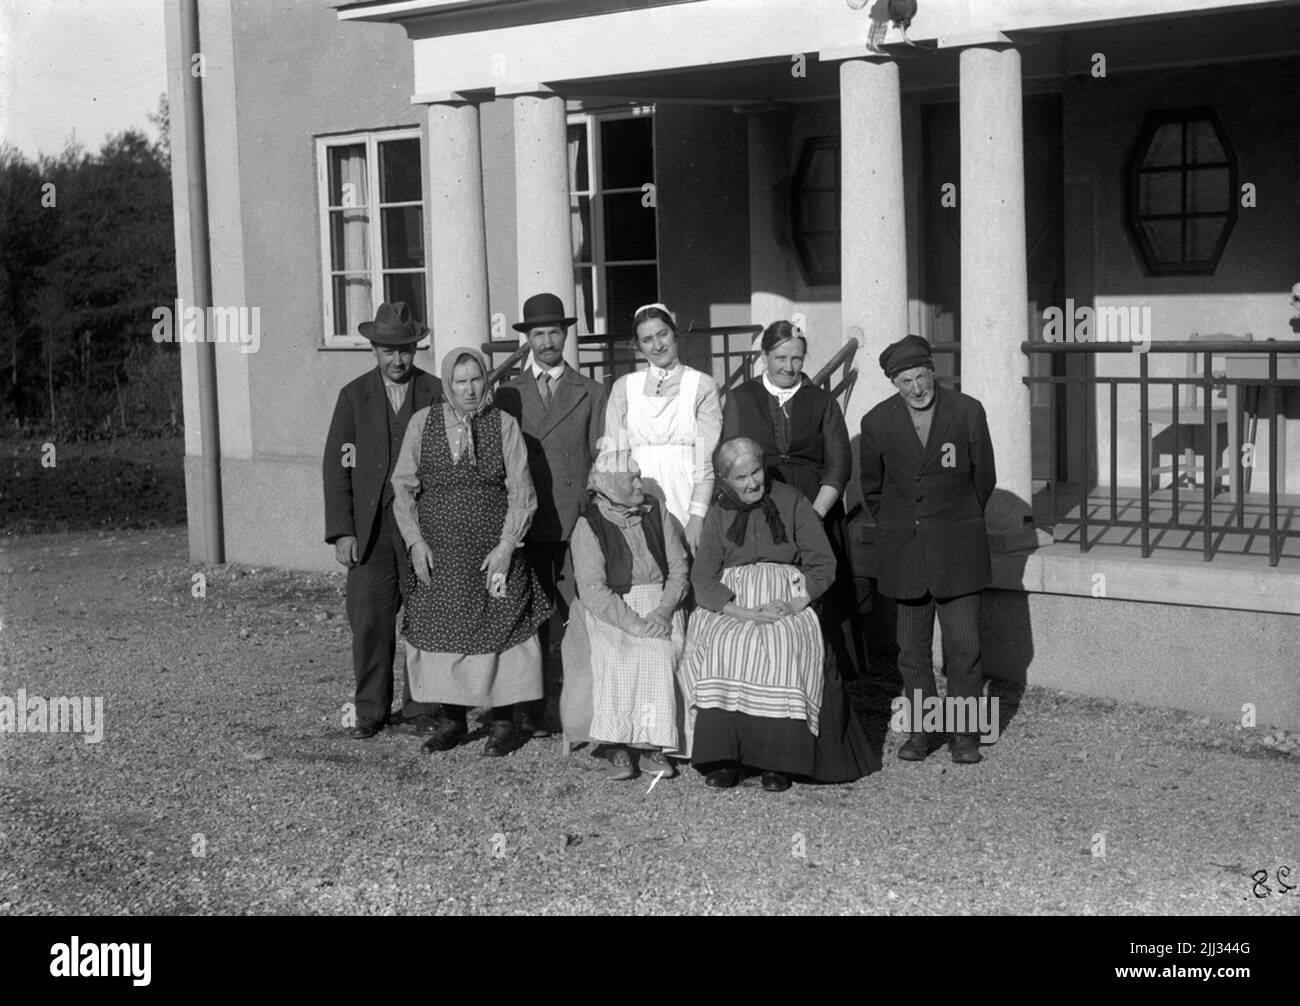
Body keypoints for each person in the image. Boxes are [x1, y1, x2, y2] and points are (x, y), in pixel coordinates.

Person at [679, 438, 878, 791]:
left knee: (783, 644)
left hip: (785, 596)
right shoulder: (719, 513)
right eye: (741, 478)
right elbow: (703, 576)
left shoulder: (792, 501)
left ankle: (778, 762)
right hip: (735, 600)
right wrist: (738, 611)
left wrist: (795, 602)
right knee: (724, 645)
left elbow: (822, 563)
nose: (752, 483)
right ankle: (726, 757)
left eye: (756, 472)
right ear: (725, 481)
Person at [390, 346, 553, 757]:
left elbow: (521, 490)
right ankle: (452, 720)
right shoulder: (421, 423)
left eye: (476, 379)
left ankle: (502, 723)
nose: (469, 389)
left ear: (487, 381)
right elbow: (403, 487)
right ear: (448, 384)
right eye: (460, 381)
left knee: (499, 627)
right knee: (445, 631)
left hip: (492, 552)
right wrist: (415, 542)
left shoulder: (504, 425)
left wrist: (506, 545)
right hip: (439, 554)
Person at [859, 334, 996, 765]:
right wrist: (902, 529)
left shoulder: (968, 411)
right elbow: (873, 490)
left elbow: (983, 480)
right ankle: (922, 731)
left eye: (921, 377)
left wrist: (955, 523)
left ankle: (964, 735)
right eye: (905, 382)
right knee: (912, 652)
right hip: (906, 553)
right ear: (893, 383)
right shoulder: (876, 422)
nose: (917, 389)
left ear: (933, 371)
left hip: (958, 550)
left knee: (965, 648)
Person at [322, 301, 442, 739]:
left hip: (422, 529)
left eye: (406, 350)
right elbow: (338, 465)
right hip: (371, 531)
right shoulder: (354, 397)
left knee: (425, 615)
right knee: (369, 619)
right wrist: (343, 531)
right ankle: (370, 708)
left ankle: (423, 706)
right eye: (388, 350)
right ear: (373, 349)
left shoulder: (436, 392)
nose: (398, 360)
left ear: (416, 349)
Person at [721, 319, 864, 677]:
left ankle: (824, 672)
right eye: (780, 357)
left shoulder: (821, 401)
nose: (789, 367)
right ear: (764, 356)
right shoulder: (741, 399)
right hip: (759, 509)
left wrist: (813, 514)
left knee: (816, 590)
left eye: (797, 358)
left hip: (816, 505)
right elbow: (728, 460)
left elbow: (838, 463)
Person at [494, 292, 606, 739]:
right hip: (525, 525)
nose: (546, 342)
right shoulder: (508, 395)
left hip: (573, 523)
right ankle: (532, 711)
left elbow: (599, 461)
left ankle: (581, 708)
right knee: (528, 618)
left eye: (553, 332)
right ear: (527, 340)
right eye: (538, 333)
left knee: (576, 614)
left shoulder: (591, 392)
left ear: (565, 335)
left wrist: (591, 519)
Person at [559, 452, 689, 780]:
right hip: (611, 608)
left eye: (639, 476)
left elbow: (678, 568)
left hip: (659, 602)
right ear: (608, 486)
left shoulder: (656, 510)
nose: (638, 483)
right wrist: (636, 624)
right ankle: (614, 744)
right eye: (630, 478)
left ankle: (651, 745)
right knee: (615, 654)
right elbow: (593, 591)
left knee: (662, 652)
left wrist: (662, 611)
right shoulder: (588, 524)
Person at [603, 303, 722, 553]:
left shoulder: (702, 385)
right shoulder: (624, 388)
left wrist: (697, 515)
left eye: (662, 334)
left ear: (674, 333)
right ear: (637, 345)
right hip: (638, 491)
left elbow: (706, 456)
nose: (657, 346)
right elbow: (614, 454)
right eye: (647, 339)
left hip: (686, 493)